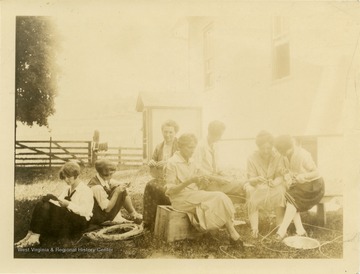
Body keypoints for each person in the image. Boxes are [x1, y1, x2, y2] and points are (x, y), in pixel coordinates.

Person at [165, 133, 244, 249]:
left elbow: (202, 175)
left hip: (193, 195)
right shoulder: (172, 163)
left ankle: (233, 234)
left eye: (193, 147)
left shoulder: (192, 161)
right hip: (180, 199)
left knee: (220, 197)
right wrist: (190, 181)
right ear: (180, 147)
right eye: (189, 147)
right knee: (219, 197)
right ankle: (233, 234)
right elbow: (170, 191)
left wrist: (215, 180)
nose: (192, 151)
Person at [15, 162, 94, 248]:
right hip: (67, 219)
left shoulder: (85, 190)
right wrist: (53, 200)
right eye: (64, 177)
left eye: (69, 177)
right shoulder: (68, 189)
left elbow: (86, 212)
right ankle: (31, 235)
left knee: (46, 204)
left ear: (76, 175)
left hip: (79, 222)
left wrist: (68, 204)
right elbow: (58, 204)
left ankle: (34, 236)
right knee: (43, 203)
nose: (66, 180)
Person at [273, 135, 325, 240]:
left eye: (285, 151)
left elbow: (316, 172)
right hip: (300, 185)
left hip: (314, 185)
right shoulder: (284, 154)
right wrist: (285, 172)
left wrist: (303, 176)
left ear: (291, 146)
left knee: (292, 198)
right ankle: (300, 231)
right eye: (281, 152)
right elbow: (282, 168)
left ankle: (282, 231)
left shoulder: (303, 155)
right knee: (291, 197)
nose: (283, 154)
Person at [244, 130, 286, 238]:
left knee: (280, 190)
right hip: (256, 186)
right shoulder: (251, 158)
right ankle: (254, 229)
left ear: (272, 146)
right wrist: (257, 179)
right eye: (263, 148)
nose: (266, 151)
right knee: (250, 191)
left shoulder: (278, 156)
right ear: (258, 147)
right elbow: (250, 179)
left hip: (272, 185)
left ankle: (280, 226)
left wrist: (275, 181)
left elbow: (280, 175)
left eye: (269, 148)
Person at [143, 120, 179, 231]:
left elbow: (182, 161)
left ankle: (162, 222)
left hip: (177, 179)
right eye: (165, 132)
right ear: (162, 132)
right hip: (161, 177)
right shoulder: (159, 146)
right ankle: (149, 222)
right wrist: (151, 162)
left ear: (175, 132)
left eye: (170, 132)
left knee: (158, 188)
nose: (167, 135)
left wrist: (168, 163)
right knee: (150, 186)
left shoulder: (179, 145)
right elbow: (153, 161)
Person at [193, 120, 244, 196]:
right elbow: (197, 170)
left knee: (237, 181)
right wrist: (217, 179)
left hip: (215, 178)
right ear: (214, 134)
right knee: (240, 185)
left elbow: (216, 166)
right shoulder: (200, 146)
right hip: (206, 182)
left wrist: (223, 174)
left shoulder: (214, 145)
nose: (221, 138)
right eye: (220, 135)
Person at [88, 159, 142, 225]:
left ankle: (133, 213)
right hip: (99, 218)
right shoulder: (96, 187)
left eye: (111, 174)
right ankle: (133, 214)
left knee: (120, 187)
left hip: (100, 212)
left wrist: (123, 184)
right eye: (109, 174)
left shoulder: (100, 178)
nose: (111, 176)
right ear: (102, 174)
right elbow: (107, 209)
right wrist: (117, 192)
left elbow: (111, 182)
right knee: (121, 191)